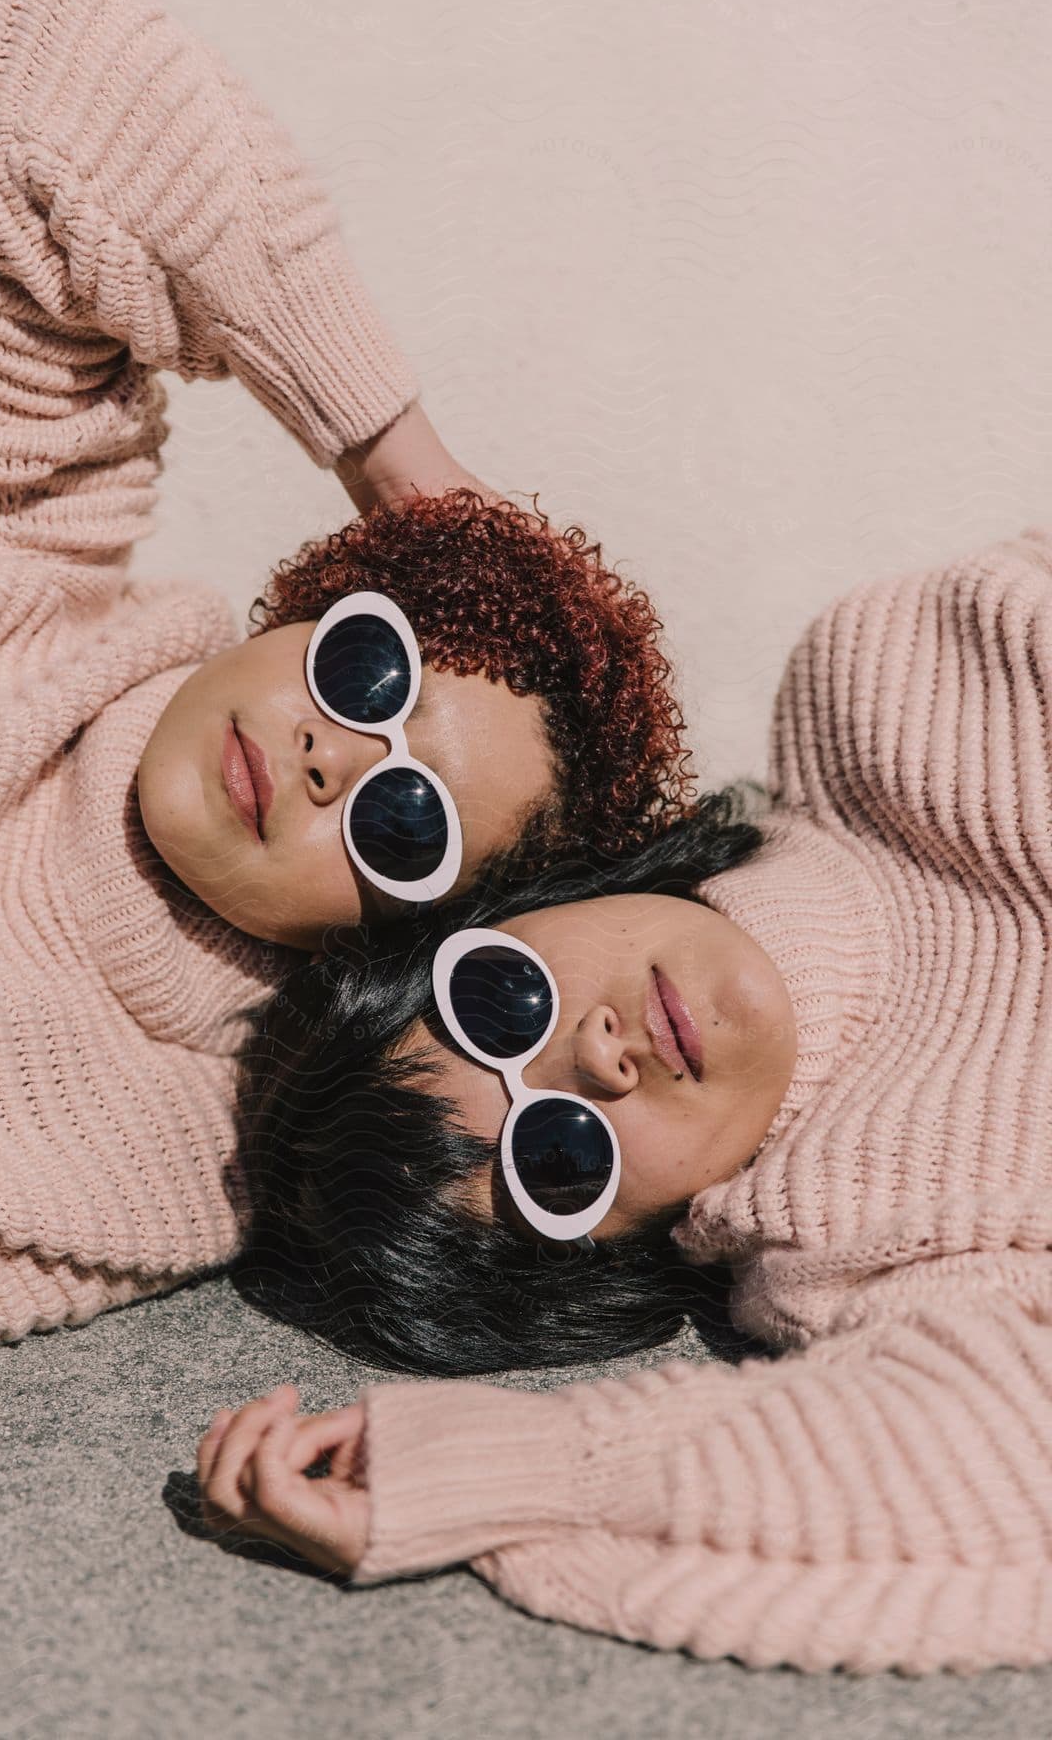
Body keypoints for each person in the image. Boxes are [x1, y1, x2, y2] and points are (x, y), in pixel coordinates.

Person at [0, 0, 688, 1395]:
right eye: (371, 675)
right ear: (316, 603)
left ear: (390, 941)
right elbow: (37, 61)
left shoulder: (182, 1145)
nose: (333, 760)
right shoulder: (3, 546)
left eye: (403, 820)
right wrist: (398, 461)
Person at [197, 529, 1052, 1676]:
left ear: (500, 904)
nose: (596, 1061)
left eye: (501, 1001)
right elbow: (1001, 1452)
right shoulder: (857, 1241)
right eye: (561, 1157)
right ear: (626, 1252)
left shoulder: (888, 684)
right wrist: (518, 1474)